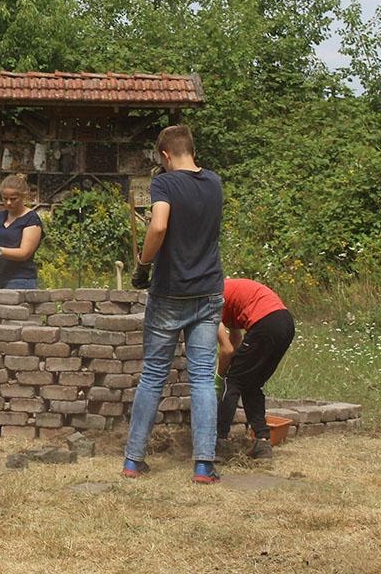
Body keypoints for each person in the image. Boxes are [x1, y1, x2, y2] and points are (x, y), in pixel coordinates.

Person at [124, 125, 224, 484]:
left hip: (169, 291)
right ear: (191, 150)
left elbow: (158, 227)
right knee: (202, 377)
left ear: (165, 155)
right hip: (208, 290)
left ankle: (134, 460)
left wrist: (143, 264)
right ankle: (204, 466)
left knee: (153, 375)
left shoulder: (164, 184)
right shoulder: (214, 182)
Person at [216, 278, 295, 459]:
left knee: (232, 382)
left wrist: (219, 378)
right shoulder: (228, 294)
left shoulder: (211, 300)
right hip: (285, 323)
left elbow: (227, 349)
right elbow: (235, 339)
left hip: (265, 323)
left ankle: (219, 442)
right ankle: (262, 443)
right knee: (252, 385)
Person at [0, 174, 43, 292]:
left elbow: (25, 253)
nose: (9, 203)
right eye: (5, 198)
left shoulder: (31, 219)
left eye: (13, 199)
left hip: (20, 279)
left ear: (23, 196)